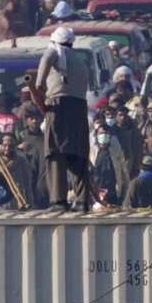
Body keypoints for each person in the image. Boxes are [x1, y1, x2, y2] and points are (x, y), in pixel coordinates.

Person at [37, 27, 93, 212]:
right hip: (79, 107)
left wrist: (38, 86)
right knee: (78, 154)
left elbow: (46, 59)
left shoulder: (55, 52)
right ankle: (82, 201)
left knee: (56, 151)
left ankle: (59, 201)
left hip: (59, 105)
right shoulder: (79, 61)